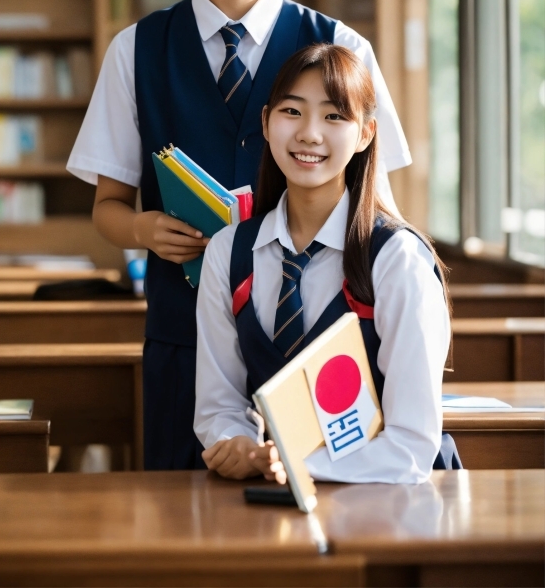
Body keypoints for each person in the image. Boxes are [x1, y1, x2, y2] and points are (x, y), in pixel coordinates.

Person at [67, 0, 412, 471]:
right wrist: (143, 229)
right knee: (184, 542)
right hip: (183, 343)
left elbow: (379, 211)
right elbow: (107, 206)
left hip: (317, 351)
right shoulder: (137, 50)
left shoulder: (342, 50)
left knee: (316, 548)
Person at [195, 43, 460, 484]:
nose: (310, 134)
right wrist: (236, 443)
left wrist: (300, 465)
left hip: (396, 501)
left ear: (366, 134)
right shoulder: (228, 253)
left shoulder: (398, 261)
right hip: (277, 499)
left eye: (334, 116)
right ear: (265, 122)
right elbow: (219, 405)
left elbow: (411, 445)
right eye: (292, 112)